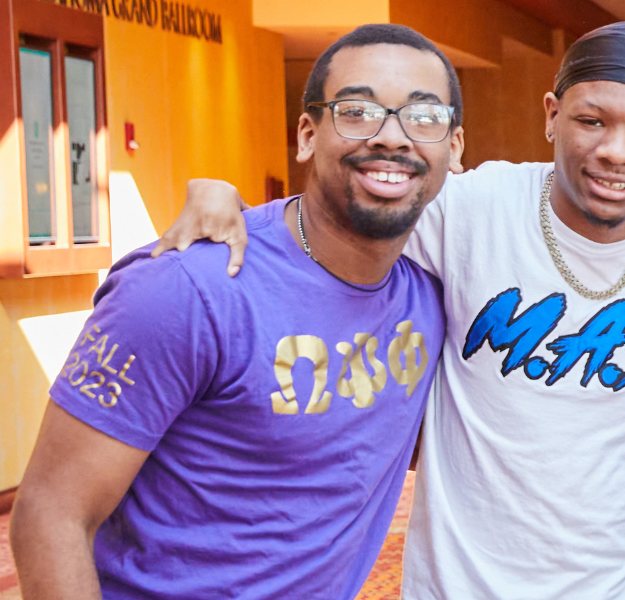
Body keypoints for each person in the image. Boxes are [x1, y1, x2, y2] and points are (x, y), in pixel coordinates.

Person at [157, 22, 625, 599]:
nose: (615, 151)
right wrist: (223, 194)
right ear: (551, 115)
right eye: (591, 121)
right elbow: (331, 220)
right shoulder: (469, 209)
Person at [8, 24, 453, 599]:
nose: (391, 137)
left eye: (423, 116)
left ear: (455, 147)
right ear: (307, 134)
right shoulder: (185, 289)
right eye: (358, 110)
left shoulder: (434, 290)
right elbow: (49, 513)